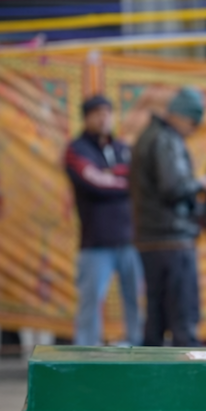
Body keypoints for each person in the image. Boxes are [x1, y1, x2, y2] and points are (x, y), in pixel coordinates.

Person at [129, 86, 206, 347]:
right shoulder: (165, 140)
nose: (193, 130)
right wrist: (202, 184)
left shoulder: (148, 136)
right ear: (181, 116)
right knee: (183, 317)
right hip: (172, 240)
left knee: (156, 320)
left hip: (151, 238)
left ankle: (152, 383)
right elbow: (173, 187)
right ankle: (191, 382)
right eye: (193, 123)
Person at [64, 95, 144, 346]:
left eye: (107, 112)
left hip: (130, 239)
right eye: (97, 112)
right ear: (86, 117)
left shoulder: (122, 148)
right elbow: (94, 181)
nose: (103, 117)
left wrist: (112, 175)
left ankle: (137, 346)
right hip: (96, 243)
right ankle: (86, 354)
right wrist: (122, 179)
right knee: (90, 303)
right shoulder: (76, 149)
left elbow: (138, 180)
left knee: (135, 301)